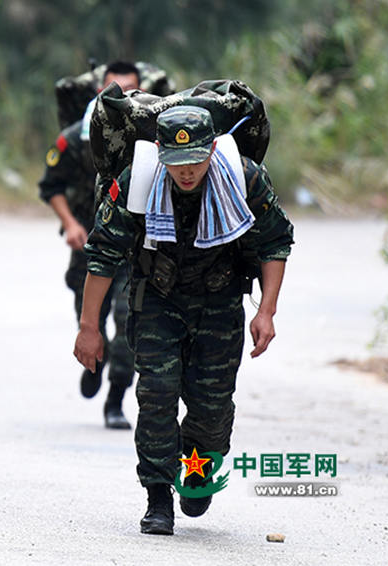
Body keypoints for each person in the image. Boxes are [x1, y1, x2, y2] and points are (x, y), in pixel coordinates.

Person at [73, 106, 294, 534]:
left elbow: (275, 242)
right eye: (176, 163)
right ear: (159, 153)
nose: (187, 172)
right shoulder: (137, 183)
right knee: (156, 394)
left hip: (221, 300)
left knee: (211, 409)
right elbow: (103, 255)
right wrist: (89, 327)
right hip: (158, 299)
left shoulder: (244, 180)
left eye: (196, 159)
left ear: (212, 148)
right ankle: (157, 498)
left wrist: (266, 311)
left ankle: (195, 470)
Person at [39, 61, 141, 429]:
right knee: (89, 318)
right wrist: (69, 224)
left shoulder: (149, 139)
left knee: (129, 320)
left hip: (134, 247)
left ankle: (115, 400)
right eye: (114, 90)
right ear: (100, 91)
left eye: (130, 91)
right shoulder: (76, 137)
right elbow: (49, 186)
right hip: (90, 246)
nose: (122, 99)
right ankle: (95, 362)